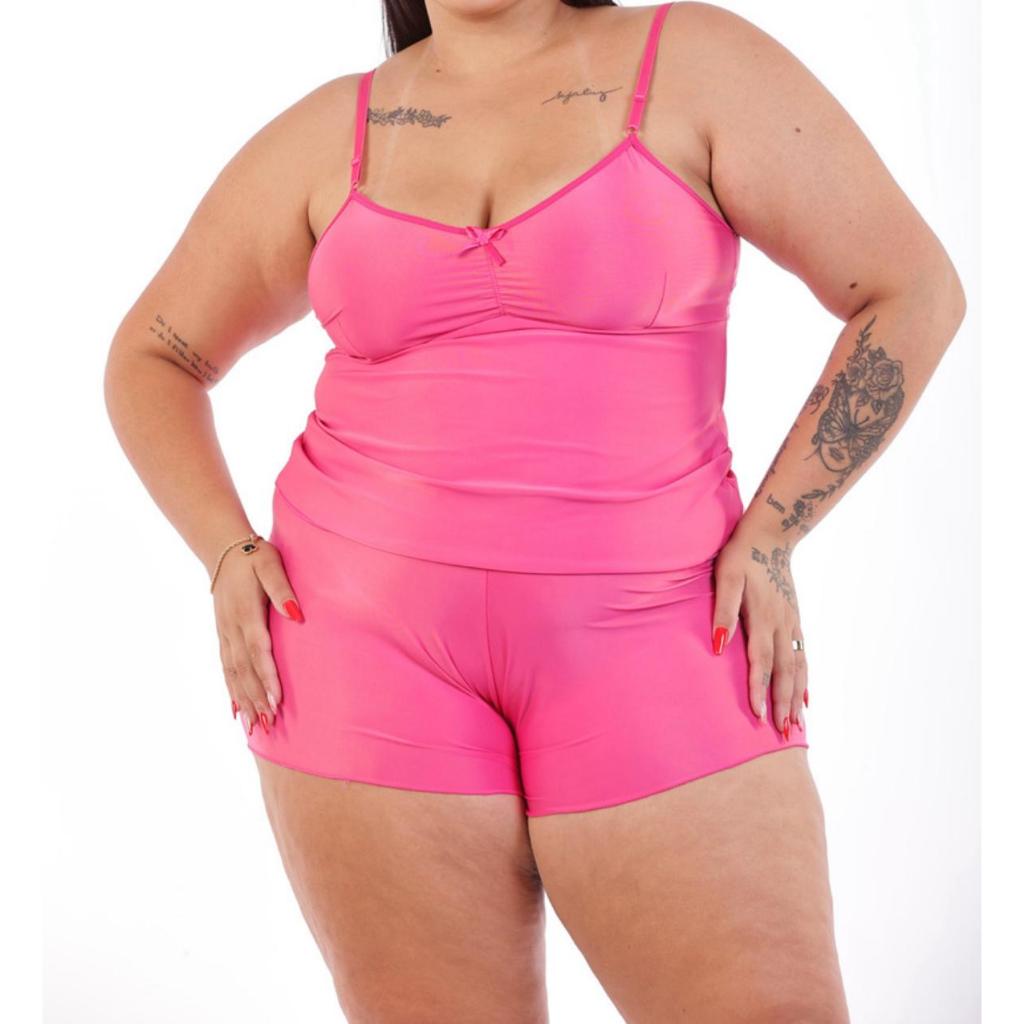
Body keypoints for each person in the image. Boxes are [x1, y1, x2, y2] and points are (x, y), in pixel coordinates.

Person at [104, 1, 965, 1020]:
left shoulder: (693, 63)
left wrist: (775, 532)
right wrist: (225, 550)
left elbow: (910, 288)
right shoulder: (332, 130)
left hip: (659, 629)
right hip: (357, 650)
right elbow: (153, 355)